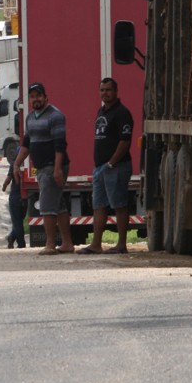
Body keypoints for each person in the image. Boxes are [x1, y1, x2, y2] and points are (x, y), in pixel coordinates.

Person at [12, 82, 74, 254]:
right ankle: (67, 243)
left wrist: (57, 168)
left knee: (46, 205)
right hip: (41, 167)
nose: (36, 99)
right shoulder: (30, 117)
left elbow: (60, 145)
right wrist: (17, 164)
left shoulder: (56, 116)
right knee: (58, 205)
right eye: (32, 96)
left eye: (39, 95)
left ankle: (50, 244)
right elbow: (26, 144)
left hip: (52, 166)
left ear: (46, 97)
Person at [78, 78, 134, 255]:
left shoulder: (122, 113)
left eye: (108, 90)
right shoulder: (101, 111)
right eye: (102, 90)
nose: (105, 93)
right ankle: (96, 244)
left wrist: (112, 162)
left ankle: (121, 244)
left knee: (119, 205)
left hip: (116, 167)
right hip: (100, 168)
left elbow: (125, 142)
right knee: (99, 206)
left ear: (116, 91)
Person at [1, 160, 26, 248]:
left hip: (15, 196)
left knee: (17, 221)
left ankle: (20, 243)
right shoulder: (30, 162)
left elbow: (8, 179)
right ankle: (13, 238)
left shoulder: (15, 163)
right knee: (19, 221)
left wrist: (4, 187)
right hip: (26, 196)